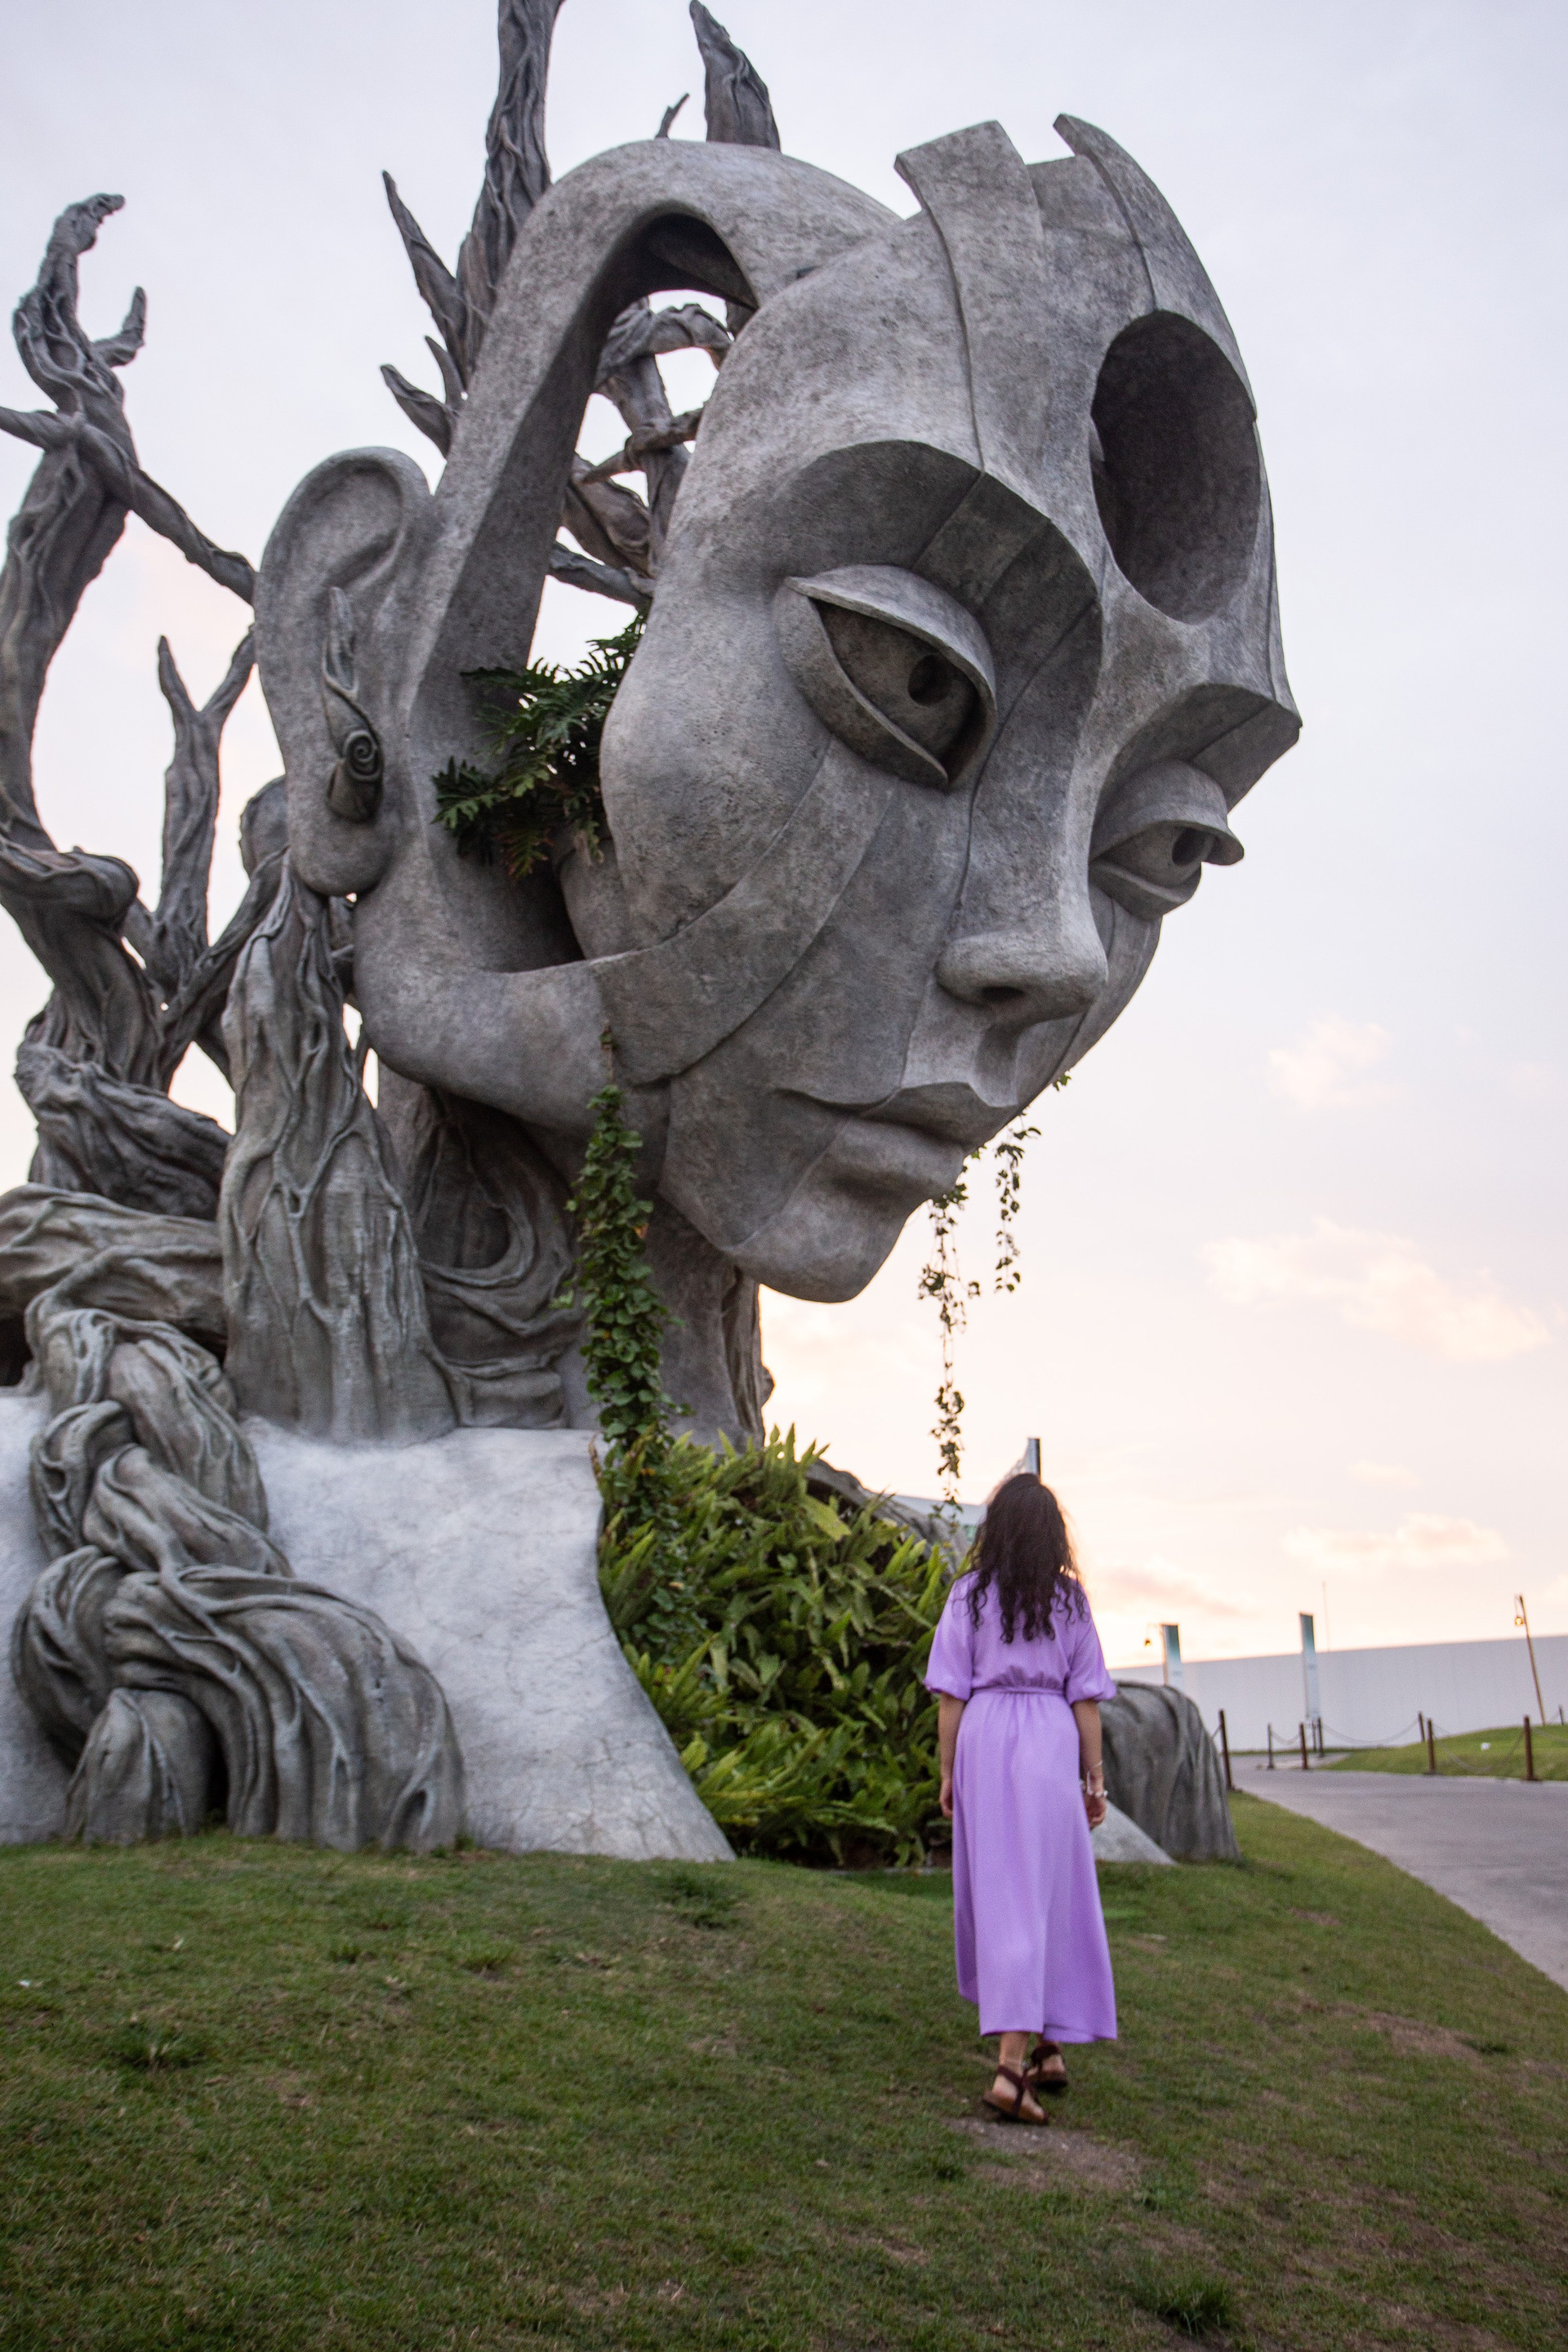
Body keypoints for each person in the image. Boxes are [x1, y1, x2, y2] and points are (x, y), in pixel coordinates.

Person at [924, 1473, 1118, 2123]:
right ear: (1052, 1534)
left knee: (1007, 1896)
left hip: (984, 1739)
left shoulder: (969, 1595)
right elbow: (1085, 1700)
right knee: (1049, 1891)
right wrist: (1094, 1781)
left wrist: (948, 1771)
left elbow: (951, 1694)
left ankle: (1036, 2050)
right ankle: (1026, 2059)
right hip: (1049, 1741)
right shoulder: (1069, 1600)